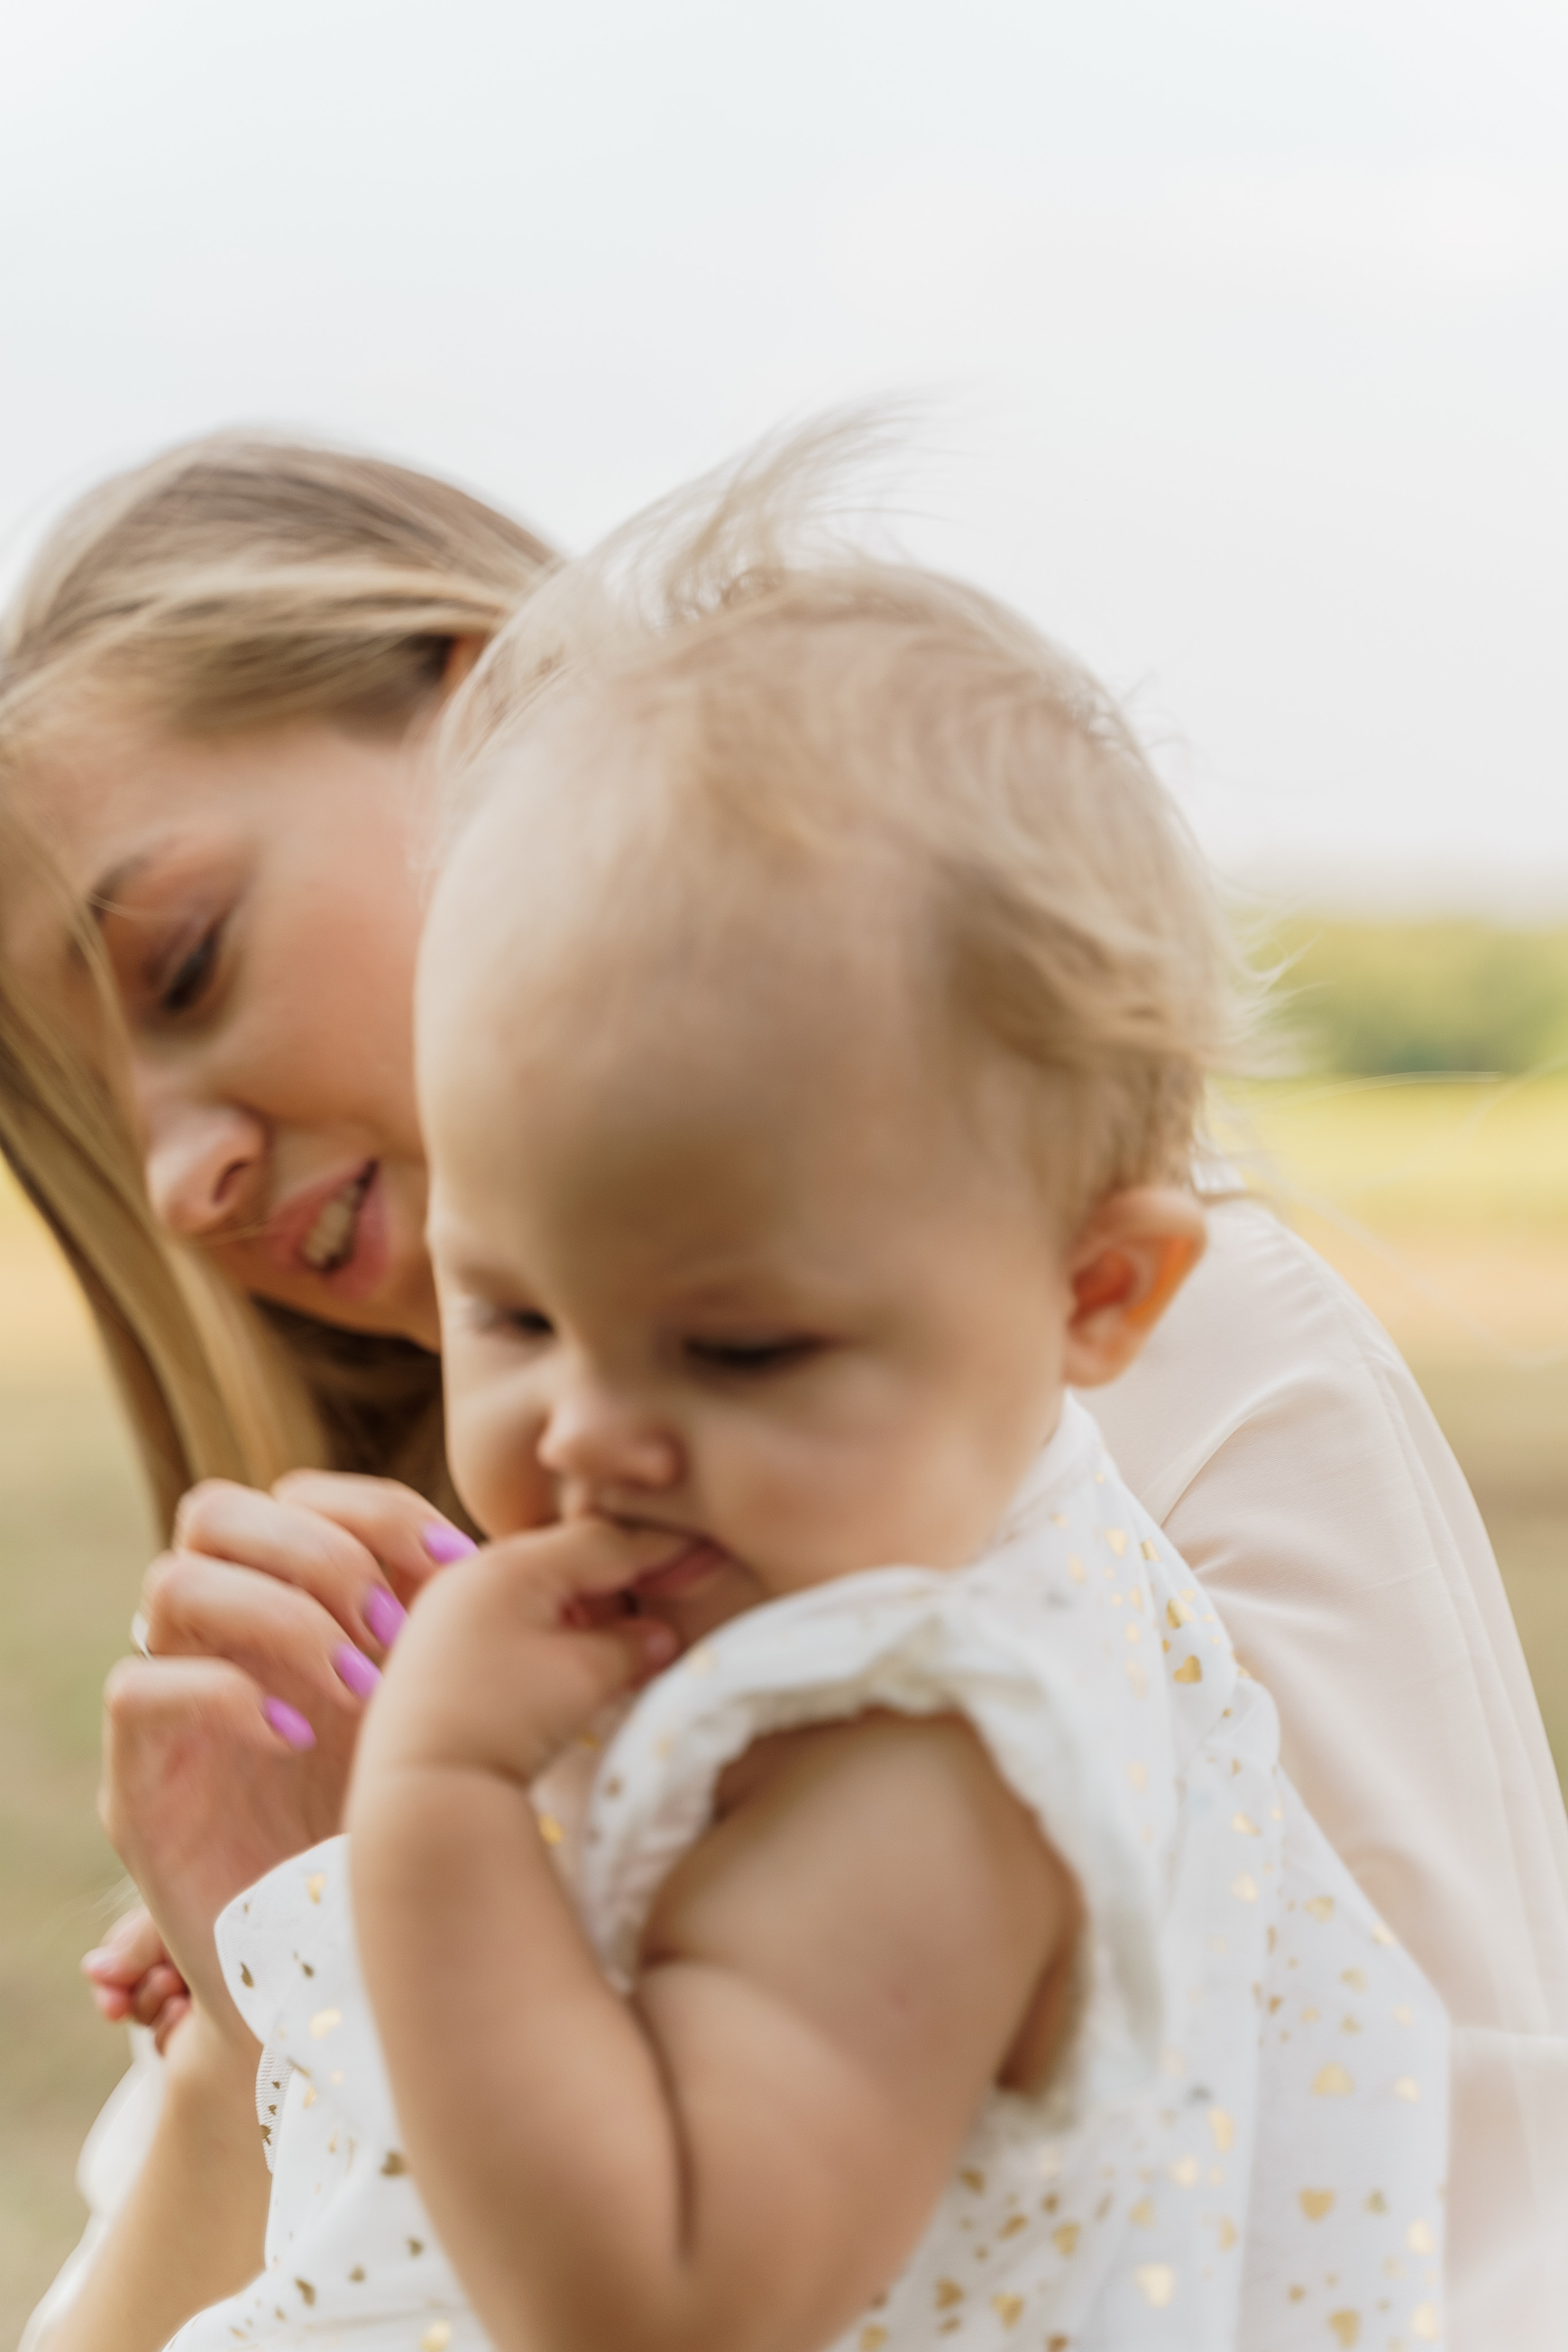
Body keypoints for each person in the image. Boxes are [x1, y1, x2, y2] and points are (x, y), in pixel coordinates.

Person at [0, 429, 1562, 2348]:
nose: (175, 1179)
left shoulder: (1044, 1497)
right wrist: (255, 2021)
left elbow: (1472, 2236)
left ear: (497, 741)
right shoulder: (494, 1575)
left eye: (187, 963)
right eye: (96, 1126)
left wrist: (428, 1839)